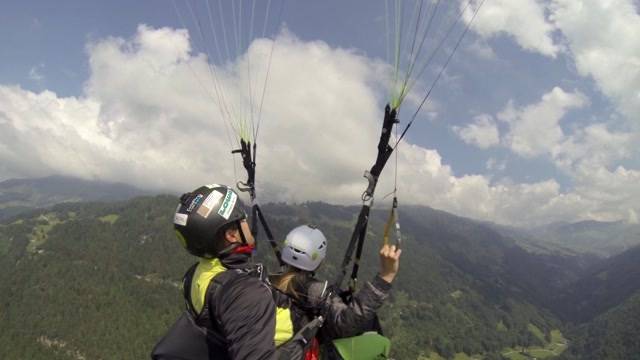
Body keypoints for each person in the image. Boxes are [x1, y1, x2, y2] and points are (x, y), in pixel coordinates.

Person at [153, 184, 317, 360]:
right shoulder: (247, 294)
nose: (247, 223)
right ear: (231, 235)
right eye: (243, 218)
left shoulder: (197, 274)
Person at [271, 224, 402, 358]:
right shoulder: (317, 292)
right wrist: (386, 276)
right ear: (319, 260)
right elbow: (348, 323)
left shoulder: (265, 283)